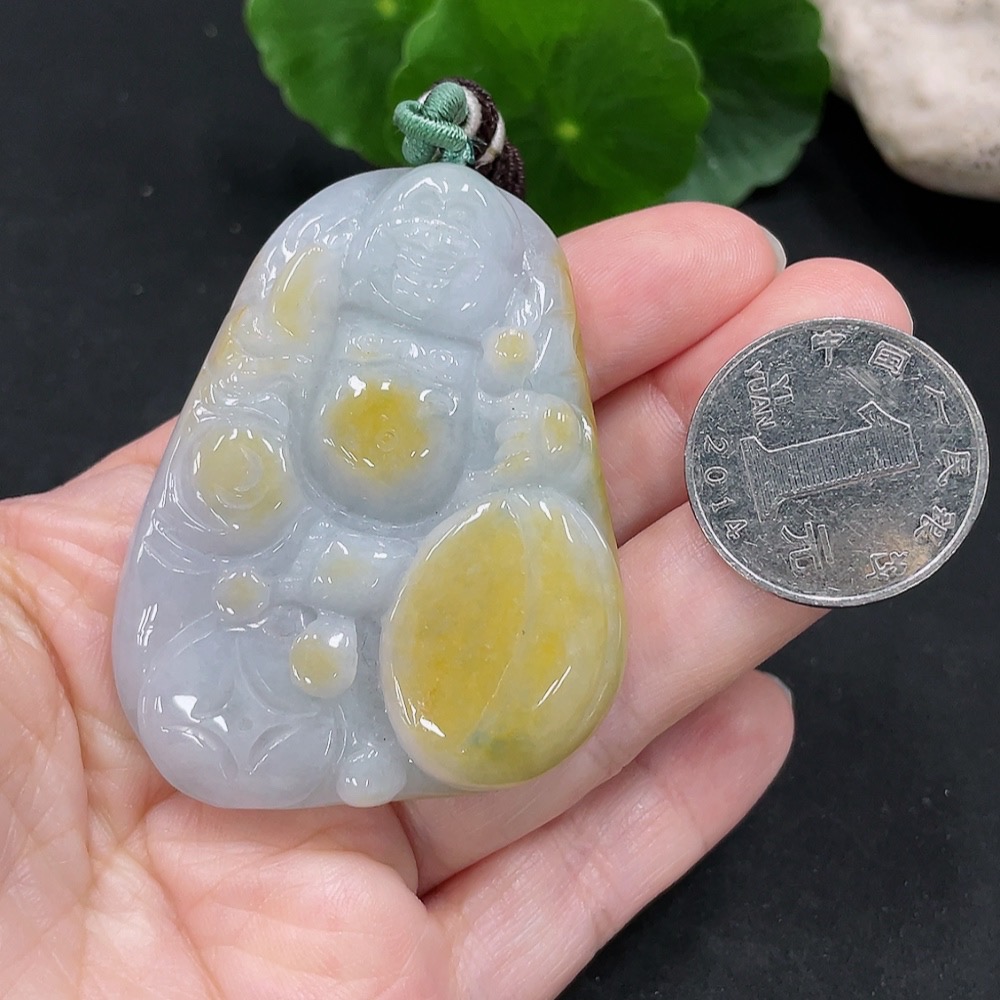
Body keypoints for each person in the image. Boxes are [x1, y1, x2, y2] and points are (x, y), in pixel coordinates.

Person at [0, 201, 911, 998]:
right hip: (276, 628)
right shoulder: (291, 397)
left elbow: (513, 530)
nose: (396, 396)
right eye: (365, 360)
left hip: (434, 623)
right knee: (221, 698)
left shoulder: (500, 434)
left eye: (434, 381)